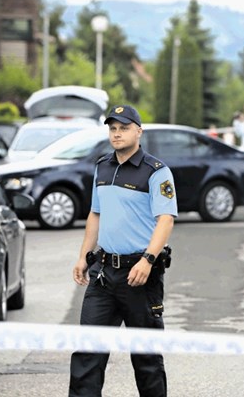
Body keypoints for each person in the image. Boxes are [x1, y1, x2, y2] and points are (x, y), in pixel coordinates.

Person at [69, 104, 177, 397]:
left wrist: (147, 260)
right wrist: (83, 256)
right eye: (113, 128)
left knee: (147, 359)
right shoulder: (102, 166)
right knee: (87, 354)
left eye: (124, 128)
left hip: (140, 277)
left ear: (139, 132)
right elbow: (95, 214)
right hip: (103, 274)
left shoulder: (156, 172)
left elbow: (165, 220)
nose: (117, 134)